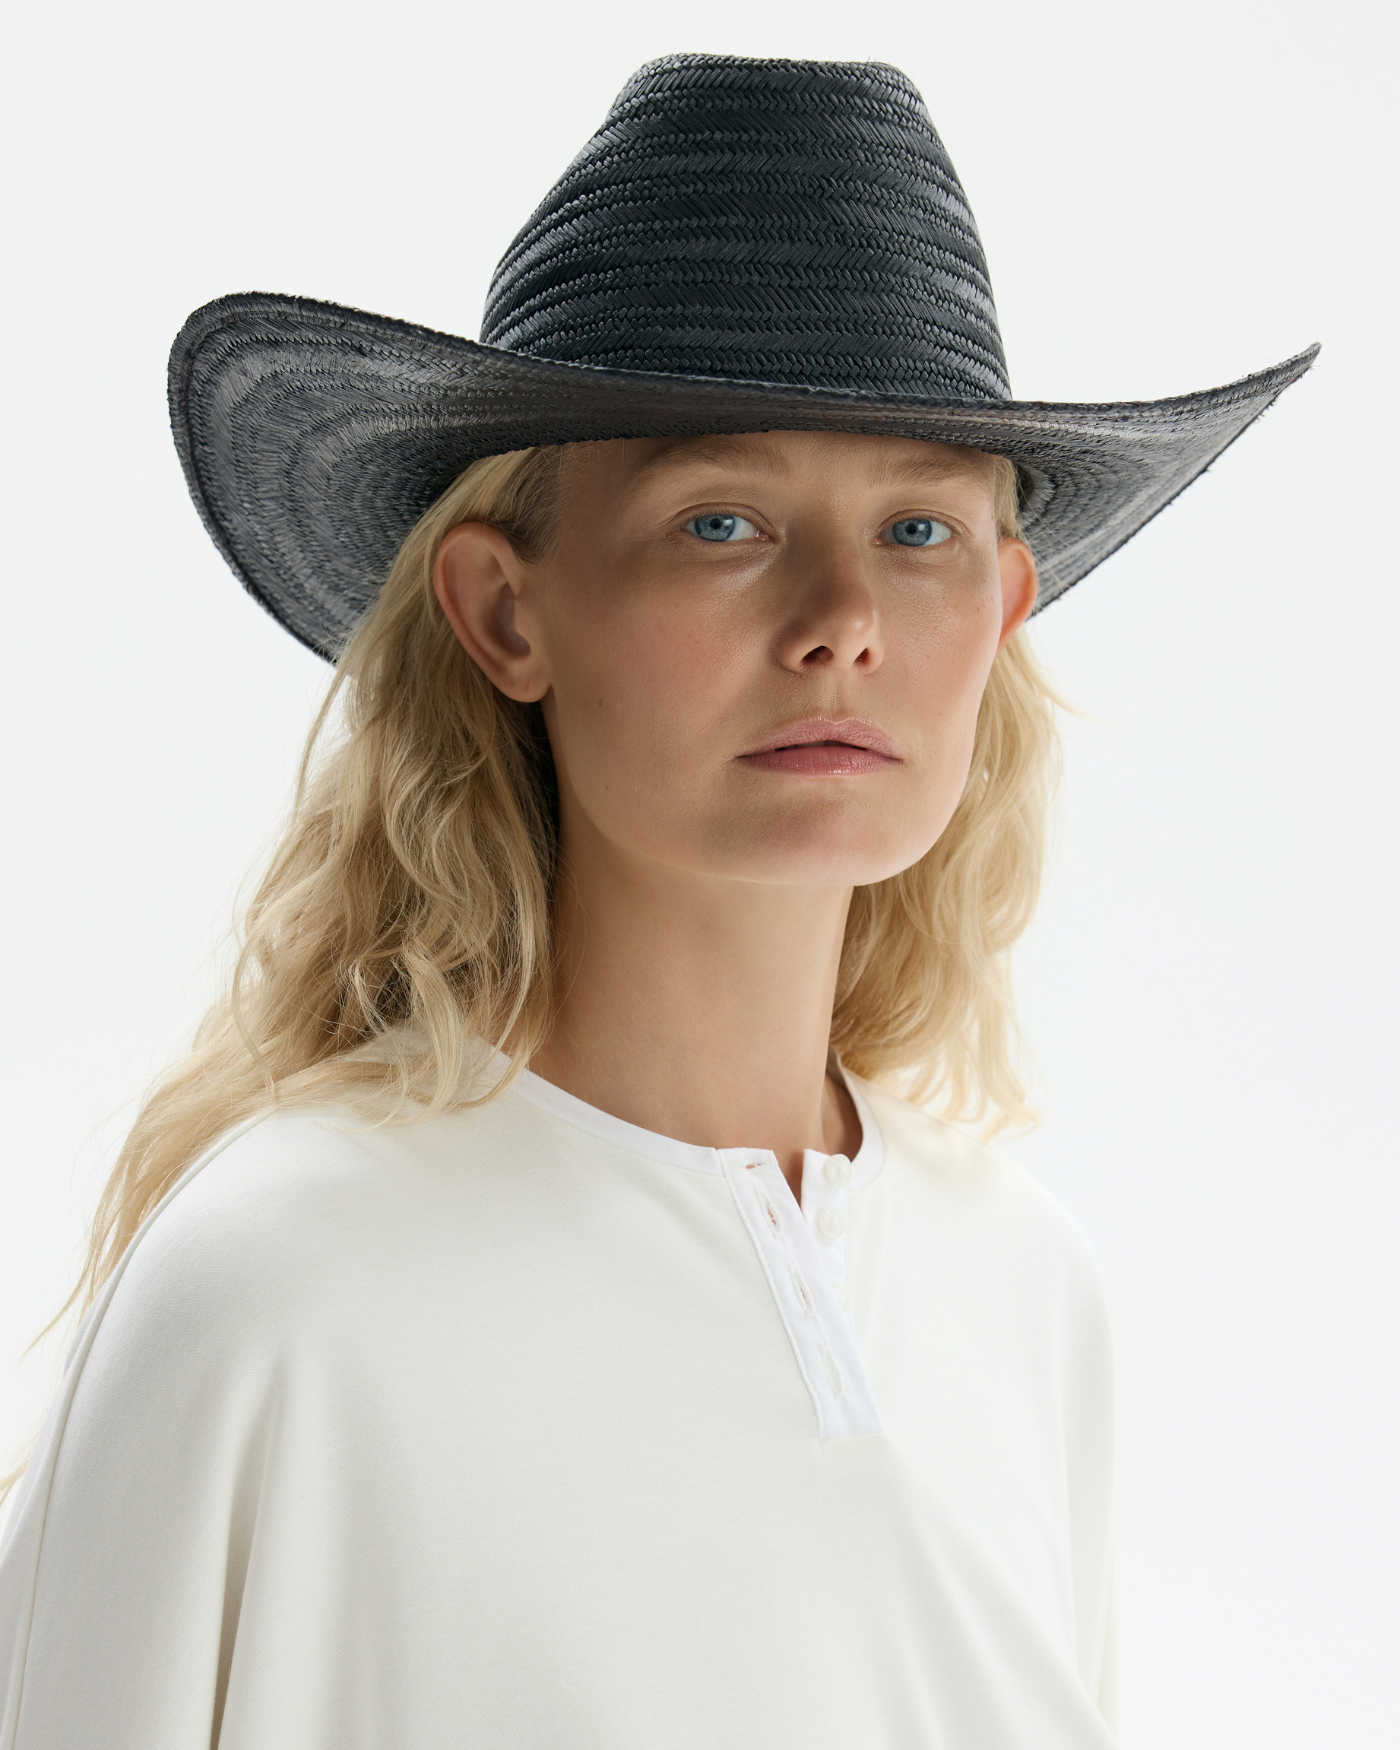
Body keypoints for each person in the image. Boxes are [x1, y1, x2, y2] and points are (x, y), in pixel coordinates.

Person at [0, 52, 1312, 1750]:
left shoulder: (1022, 1288)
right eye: (723, 519)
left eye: (918, 530)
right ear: (504, 611)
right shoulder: (278, 1288)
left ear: (1003, 607)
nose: (842, 619)